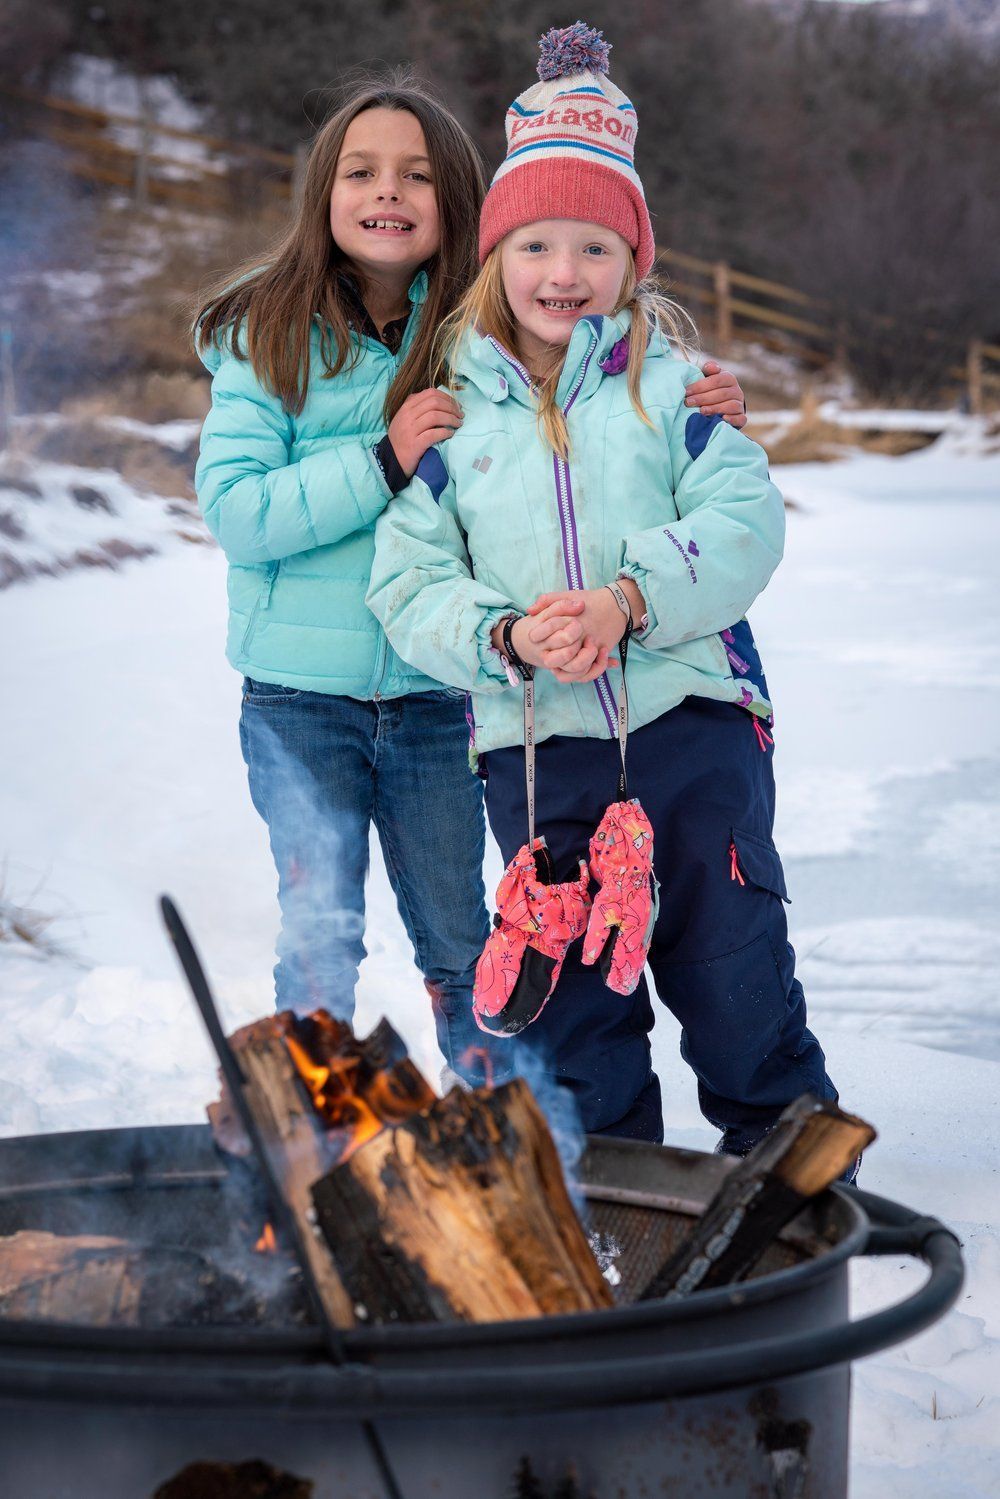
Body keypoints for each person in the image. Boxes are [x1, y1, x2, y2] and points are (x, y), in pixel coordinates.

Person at [193, 73, 749, 1088]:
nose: (385, 191)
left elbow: (599, 379)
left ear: (457, 202)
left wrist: (690, 394)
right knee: (320, 925)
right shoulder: (263, 335)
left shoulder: (475, 335)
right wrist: (379, 459)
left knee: (463, 934)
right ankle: (307, 1136)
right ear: (323, 190)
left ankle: (490, 1136)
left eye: (414, 174)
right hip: (297, 696)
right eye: (359, 171)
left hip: (440, 697)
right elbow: (236, 512)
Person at [367, 26, 847, 1167]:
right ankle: (618, 1180)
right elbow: (407, 580)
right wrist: (504, 634)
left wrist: (630, 599)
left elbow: (743, 525)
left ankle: (785, 1154)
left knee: (726, 948)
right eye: (535, 243)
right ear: (496, 257)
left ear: (632, 260)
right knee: (570, 970)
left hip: (693, 725)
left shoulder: (677, 394)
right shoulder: (454, 417)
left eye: (593, 244)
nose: (563, 272)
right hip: (539, 747)